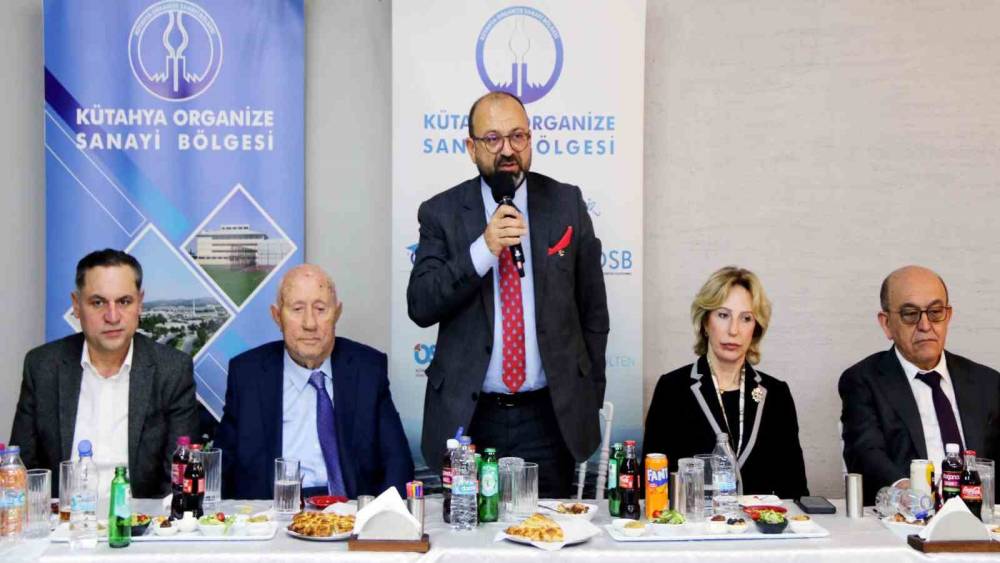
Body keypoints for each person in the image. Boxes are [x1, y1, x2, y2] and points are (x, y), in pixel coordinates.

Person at [407, 91, 609, 498]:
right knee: (468, 530)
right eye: (493, 139)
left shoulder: (566, 203)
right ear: (471, 148)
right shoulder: (442, 213)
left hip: (549, 418)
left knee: (547, 529)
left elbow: (593, 312)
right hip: (470, 418)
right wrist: (483, 249)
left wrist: (588, 393)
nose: (507, 150)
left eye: (518, 136)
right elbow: (421, 304)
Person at [10, 249, 198, 498]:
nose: (112, 316)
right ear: (76, 305)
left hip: (141, 519)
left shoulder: (172, 370)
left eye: (124, 301)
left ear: (140, 303)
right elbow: (22, 470)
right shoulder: (43, 366)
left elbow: (177, 478)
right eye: (98, 303)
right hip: (64, 518)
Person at [215, 264, 413, 499]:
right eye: (297, 309)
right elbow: (221, 469)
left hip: (349, 511)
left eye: (320, 309)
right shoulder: (248, 375)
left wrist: (381, 515)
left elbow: (398, 463)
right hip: (275, 511)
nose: (309, 323)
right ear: (277, 316)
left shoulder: (367, 369)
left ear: (337, 313)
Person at [643, 266, 809, 499]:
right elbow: (653, 486)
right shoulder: (672, 389)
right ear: (705, 322)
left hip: (761, 521)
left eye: (746, 318)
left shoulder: (776, 394)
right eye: (723, 315)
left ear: (756, 328)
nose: (733, 330)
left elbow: (795, 489)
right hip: (694, 519)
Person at [839, 265, 1000, 503]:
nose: (925, 325)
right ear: (886, 324)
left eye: (935, 312)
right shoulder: (864, 380)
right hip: (907, 516)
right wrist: (910, 495)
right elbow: (865, 453)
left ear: (948, 316)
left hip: (980, 517)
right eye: (910, 314)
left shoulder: (986, 382)